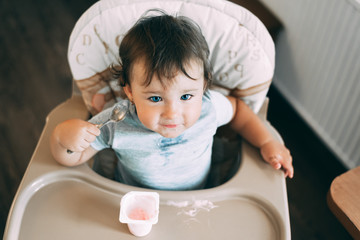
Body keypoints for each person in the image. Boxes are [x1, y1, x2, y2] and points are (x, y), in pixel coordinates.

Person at [50, 11, 293, 191]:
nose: (172, 112)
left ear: (204, 87)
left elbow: (239, 110)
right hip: (132, 202)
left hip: (199, 200)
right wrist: (64, 139)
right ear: (130, 92)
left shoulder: (209, 107)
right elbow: (71, 158)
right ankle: (99, 102)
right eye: (156, 98)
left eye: (186, 96)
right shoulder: (116, 121)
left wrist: (266, 141)